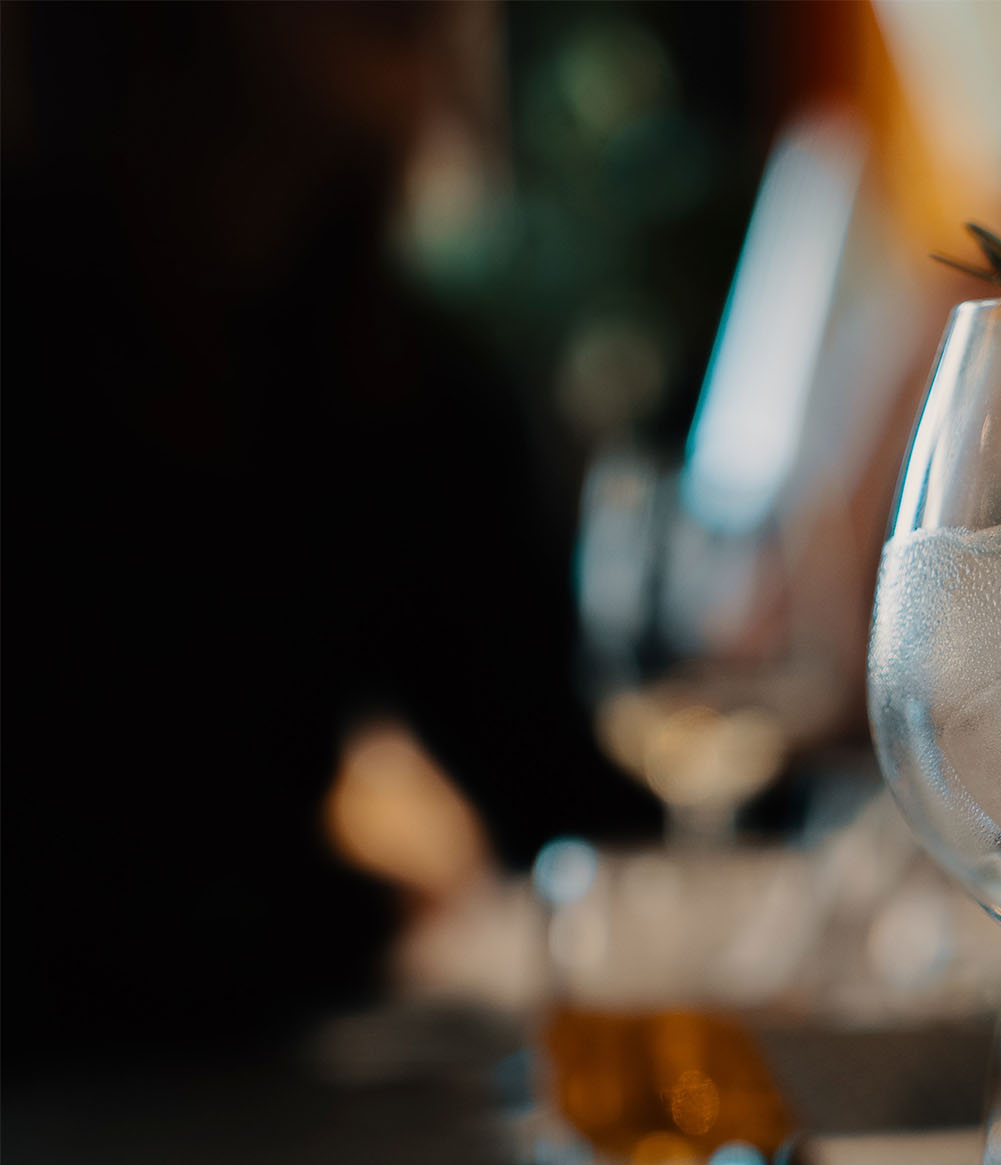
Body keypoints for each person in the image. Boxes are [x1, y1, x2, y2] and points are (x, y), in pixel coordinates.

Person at [1, 3, 656, 1065]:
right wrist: (343, 915)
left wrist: (863, 738)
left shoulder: (408, 386)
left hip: (243, 1099)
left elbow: (555, 783)